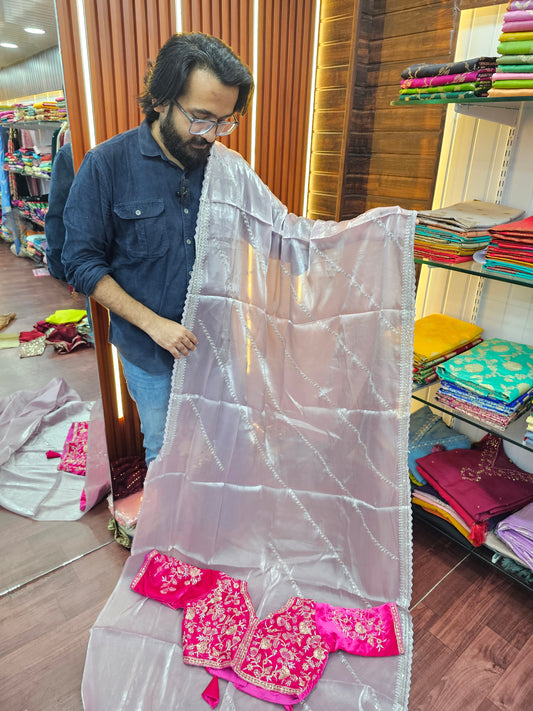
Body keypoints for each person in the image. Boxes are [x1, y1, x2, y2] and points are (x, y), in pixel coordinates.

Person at [61, 33, 254, 467]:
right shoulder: (107, 164)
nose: (212, 136)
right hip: (150, 352)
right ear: (162, 99)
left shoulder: (225, 168)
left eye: (225, 122)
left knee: (219, 448)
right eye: (202, 118)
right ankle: (169, 536)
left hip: (216, 346)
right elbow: (79, 264)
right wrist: (155, 325)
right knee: (167, 453)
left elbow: (274, 233)